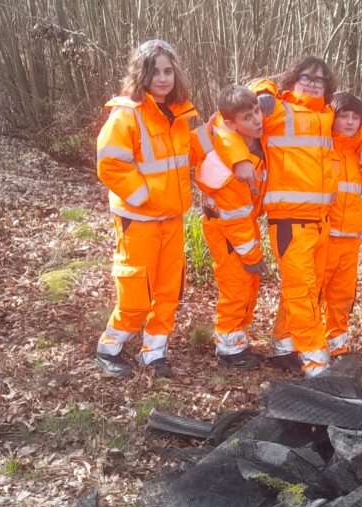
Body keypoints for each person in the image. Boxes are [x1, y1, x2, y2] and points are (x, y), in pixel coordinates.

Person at [249, 57, 362, 377]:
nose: (313, 83)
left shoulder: (326, 115)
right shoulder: (278, 110)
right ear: (293, 79)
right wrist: (263, 88)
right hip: (289, 220)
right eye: (306, 77)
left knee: (309, 287)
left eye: (320, 79)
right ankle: (316, 360)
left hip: (321, 220)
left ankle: (283, 344)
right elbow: (240, 101)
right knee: (302, 289)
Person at [94, 39, 197, 379]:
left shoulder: (180, 114)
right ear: (142, 73)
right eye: (155, 71)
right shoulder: (128, 114)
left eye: (168, 71)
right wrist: (143, 196)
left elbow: (192, 153)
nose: (163, 78)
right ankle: (110, 348)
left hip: (172, 218)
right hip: (139, 219)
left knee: (169, 290)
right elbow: (110, 163)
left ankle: (155, 352)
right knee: (136, 292)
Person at [193, 85, 269, 370]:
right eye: (248, 117)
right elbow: (235, 219)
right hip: (227, 232)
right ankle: (227, 349)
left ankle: (238, 340)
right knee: (235, 288)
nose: (258, 120)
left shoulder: (244, 147)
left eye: (257, 112)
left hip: (239, 229)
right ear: (231, 125)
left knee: (247, 286)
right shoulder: (230, 172)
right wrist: (252, 257)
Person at [320, 92, 362, 358]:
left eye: (355, 117)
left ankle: (336, 344)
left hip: (351, 237)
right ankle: (302, 343)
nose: (350, 122)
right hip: (324, 236)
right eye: (344, 116)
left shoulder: (359, 154)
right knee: (314, 292)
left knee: (342, 297)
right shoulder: (322, 147)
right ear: (333, 118)